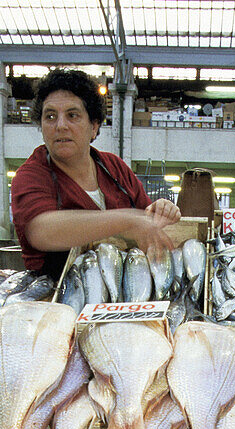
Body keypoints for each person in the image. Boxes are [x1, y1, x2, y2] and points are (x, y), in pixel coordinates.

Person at [11, 69, 180, 277]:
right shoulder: (32, 175)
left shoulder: (113, 167)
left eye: (72, 115)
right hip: (58, 298)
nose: (60, 125)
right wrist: (128, 220)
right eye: (50, 116)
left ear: (94, 126)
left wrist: (161, 210)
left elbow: (148, 224)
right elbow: (40, 231)